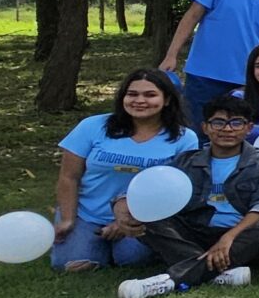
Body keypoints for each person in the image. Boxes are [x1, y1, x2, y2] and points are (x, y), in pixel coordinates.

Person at [115, 94, 259, 298]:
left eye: (236, 123)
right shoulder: (187, 160)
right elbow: (154, 186)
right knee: (148, 217)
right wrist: (121, 203)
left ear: (248, 128)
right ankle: (217, 273)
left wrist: (228, 238)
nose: (227, 129)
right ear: (205, 127)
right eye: (218, 122)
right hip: (195, 230)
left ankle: (167, 282)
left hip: (240, 236)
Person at [52, 69, 199, 271]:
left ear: (166, 100)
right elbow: (69, 177)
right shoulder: (92, 126)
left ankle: (118, 248)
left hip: (146, 218)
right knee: (69, 264)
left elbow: (178, 191)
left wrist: (129, 220)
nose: (140, 101)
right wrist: (68, 219)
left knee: (131, 259)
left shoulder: (184, 138)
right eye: (132, 94)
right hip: (88, 214)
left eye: (150, 95)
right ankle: (91, 244)